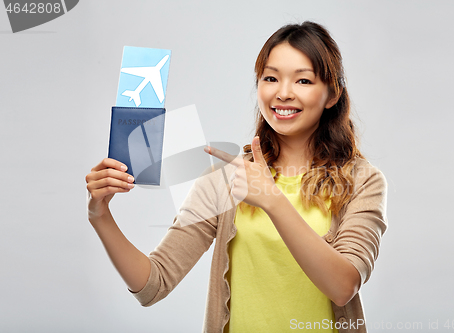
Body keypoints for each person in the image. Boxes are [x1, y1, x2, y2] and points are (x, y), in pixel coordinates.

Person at [86, 21, 387, 333]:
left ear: (332, 94)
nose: (283, 93)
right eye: (270, 78)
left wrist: (272, 200)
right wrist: (100, 215)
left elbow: (344, 285)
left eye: (303, 81)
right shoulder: (225, 178)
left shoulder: (363, 181)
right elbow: (154, 285)